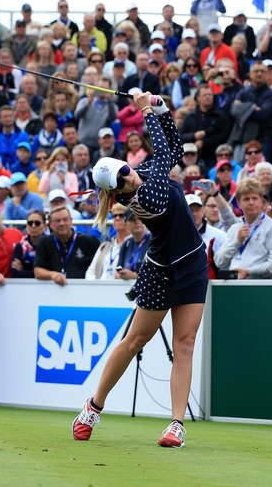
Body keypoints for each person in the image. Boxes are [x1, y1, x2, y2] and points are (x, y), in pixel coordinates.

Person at [72, 92, 207, 448]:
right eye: (122, 181)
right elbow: (163, 153)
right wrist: (146, 108)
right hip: (160, 271)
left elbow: (173, 149)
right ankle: (93, 406)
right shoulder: (145, 196)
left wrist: (161, 109)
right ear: (116, 193)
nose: (130, 178)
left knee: (186, 342)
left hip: (193, 264)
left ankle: (176, 424)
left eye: (127, 171)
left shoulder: (143, 172)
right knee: (135, 340)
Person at [214, 178, 272, 279]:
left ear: (261, 201)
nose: (251, 202)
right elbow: (219, 261)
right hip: (234, 287)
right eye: (246, 199)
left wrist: (248, 272)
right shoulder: (235, 228)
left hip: (260, 288)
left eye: (255, 198)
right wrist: (236, 241)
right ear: (239, 203)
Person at [34, 204, 99, 284]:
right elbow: (37, 271)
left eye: (65, 219)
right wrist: (53, 275)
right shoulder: (45, 241)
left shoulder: (89, 241)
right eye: (57, 221)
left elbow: (100, 267)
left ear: (71, 221)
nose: (62, 223)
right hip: (54, 291)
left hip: (83, 290)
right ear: (50, 224)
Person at [86, 203, 129, 280]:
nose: (117, 218)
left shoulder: (135, 245)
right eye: (114, 216)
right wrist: (96, 286)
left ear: (129, 219)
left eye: (121, 215)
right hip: (101, 289)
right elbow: (90, 271)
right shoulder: (105, 246)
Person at [10, 209, 46, 278]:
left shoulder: (50, 244)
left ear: (44, 226)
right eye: (30, 223)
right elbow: (15, 273)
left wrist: (23, 270)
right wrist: (42, 273)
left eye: (37, 223)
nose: (33, 226)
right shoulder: (20, 246)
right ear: (27, 225)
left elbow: (53, 271)